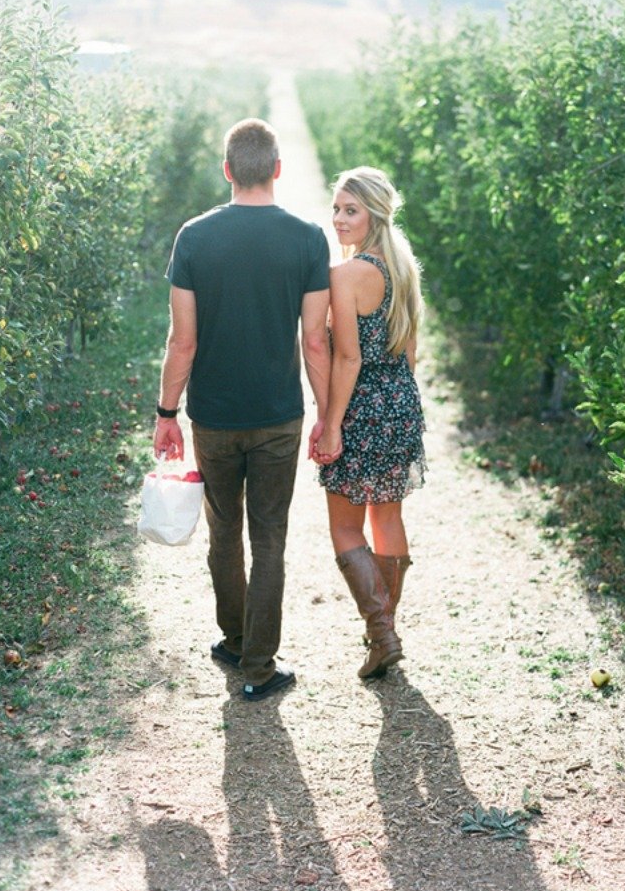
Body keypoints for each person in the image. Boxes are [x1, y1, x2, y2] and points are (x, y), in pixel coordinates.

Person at [154, 118, 331, 702]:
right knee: (271, 538)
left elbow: (183, 340)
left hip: (214, 416)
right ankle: (259, 664)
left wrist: (166, 412)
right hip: (279, 415)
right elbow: (314, 341)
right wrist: (327, 413)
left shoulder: (194, 237)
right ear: (277, 169)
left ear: (228, 170)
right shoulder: (307, 238)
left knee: (224, 531)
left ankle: (234, 640)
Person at [312, 166, 426, 679]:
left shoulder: (348, 274)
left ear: (373, 214)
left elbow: (347, 359)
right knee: (387, 519)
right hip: (400, 403)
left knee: (344, 526)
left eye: (350, 210)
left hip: (361, 408)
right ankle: (385, 635)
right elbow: (411, 352)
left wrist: (332, 423)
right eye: (336, 208)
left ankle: (382, 634)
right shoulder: (403, 268)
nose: (339, 218)